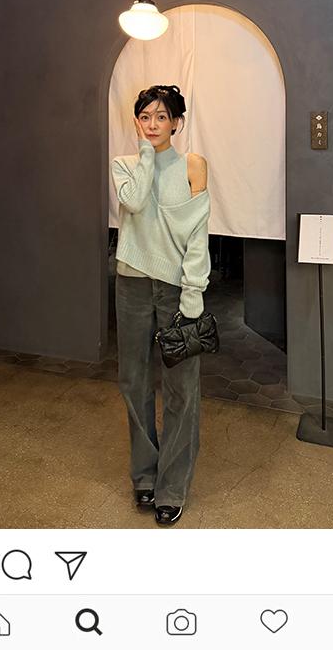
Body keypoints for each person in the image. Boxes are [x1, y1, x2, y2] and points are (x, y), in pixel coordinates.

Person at [111, 85, 211, 527]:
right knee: (133, 381)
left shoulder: (193, 165)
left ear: (176, 122)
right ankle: (145, 476)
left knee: (181, 388)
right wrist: (146, 155)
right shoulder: (125, 165)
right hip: (131, 284)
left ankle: (172, 487)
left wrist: (193, 292)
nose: (153, 124)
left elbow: (197, 234)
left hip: (175, 289)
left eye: (162, 116)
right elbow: (134, 202)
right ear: (137, 122)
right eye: (145, 117)